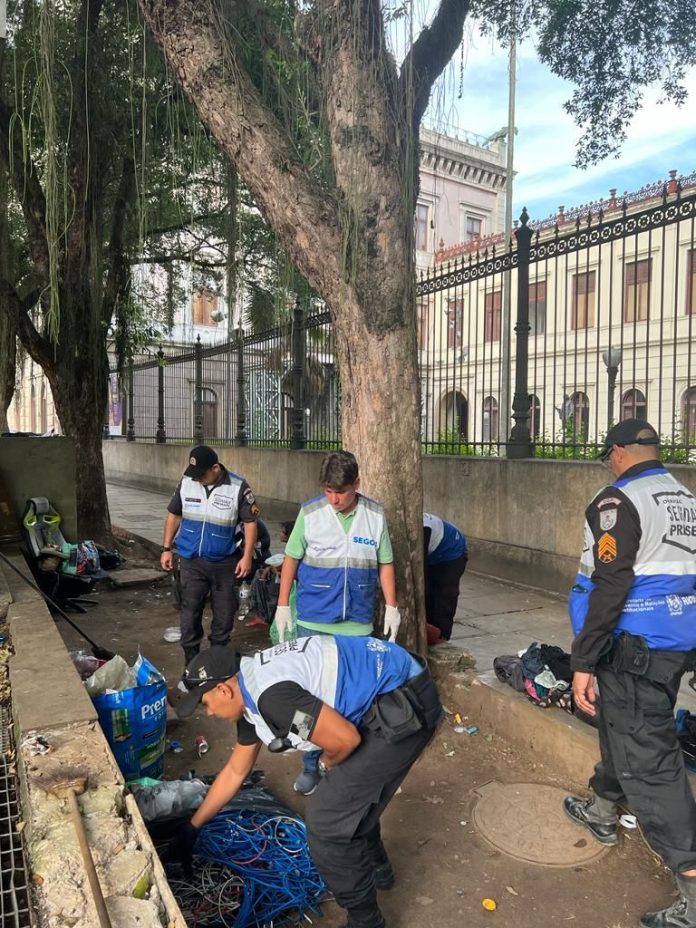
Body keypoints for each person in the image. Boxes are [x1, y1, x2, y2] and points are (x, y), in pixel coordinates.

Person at [169, 637, 442, 928]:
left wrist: (326, 763)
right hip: (392, 686)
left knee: (327, 821)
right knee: (348, 796)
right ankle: (378, 869)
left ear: (223, 689)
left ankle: (366, 921)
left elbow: (344, 740)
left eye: (206, 704)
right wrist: (192, 827)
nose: (209, 713)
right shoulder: (250, 689)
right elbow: (236, 771)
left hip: (405, 704)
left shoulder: (272, 697)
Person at [563, 419, 696, 928]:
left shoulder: (617, 501)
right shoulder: (683, 496)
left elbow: (610, 584)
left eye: (608, 456)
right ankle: (601, 810)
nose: (609, 464)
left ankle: (690, 880)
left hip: (634, 646)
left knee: (653, 764)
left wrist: (583, 658)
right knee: (622, 725)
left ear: (618, 453)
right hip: (671, 646)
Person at [274, 450, 401, 795]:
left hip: (356, 623)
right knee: (309, 696)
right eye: (329, 491)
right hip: (314, 619)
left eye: (341, 492)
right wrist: (283, 605)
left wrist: (392, 606)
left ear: (356, 485)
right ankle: (309, 763)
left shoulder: (374, 516)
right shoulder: (311, 513)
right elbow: (291, 558)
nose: (334, 499)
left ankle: (342, 762)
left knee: (353, 696)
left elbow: (384, 562)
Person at [160, 445, 258, 667]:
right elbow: (174, 515)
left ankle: (216, 663)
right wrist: (166, 548)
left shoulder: (237, 486)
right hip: (191, 561)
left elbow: (250, 523)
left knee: (224, 616)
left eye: (201, 475)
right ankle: (192, 664)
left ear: (215, 468)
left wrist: (247, 557)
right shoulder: (187, 481)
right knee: (189, 614)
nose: (197, 479)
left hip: (224, 563)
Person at [423, 513, 468, 644]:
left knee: (445, 595)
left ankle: (442, 636)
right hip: (433, 553)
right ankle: (429, 631)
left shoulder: (424, 529)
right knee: (429, 596)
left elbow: (421, 575)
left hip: (452, 551)